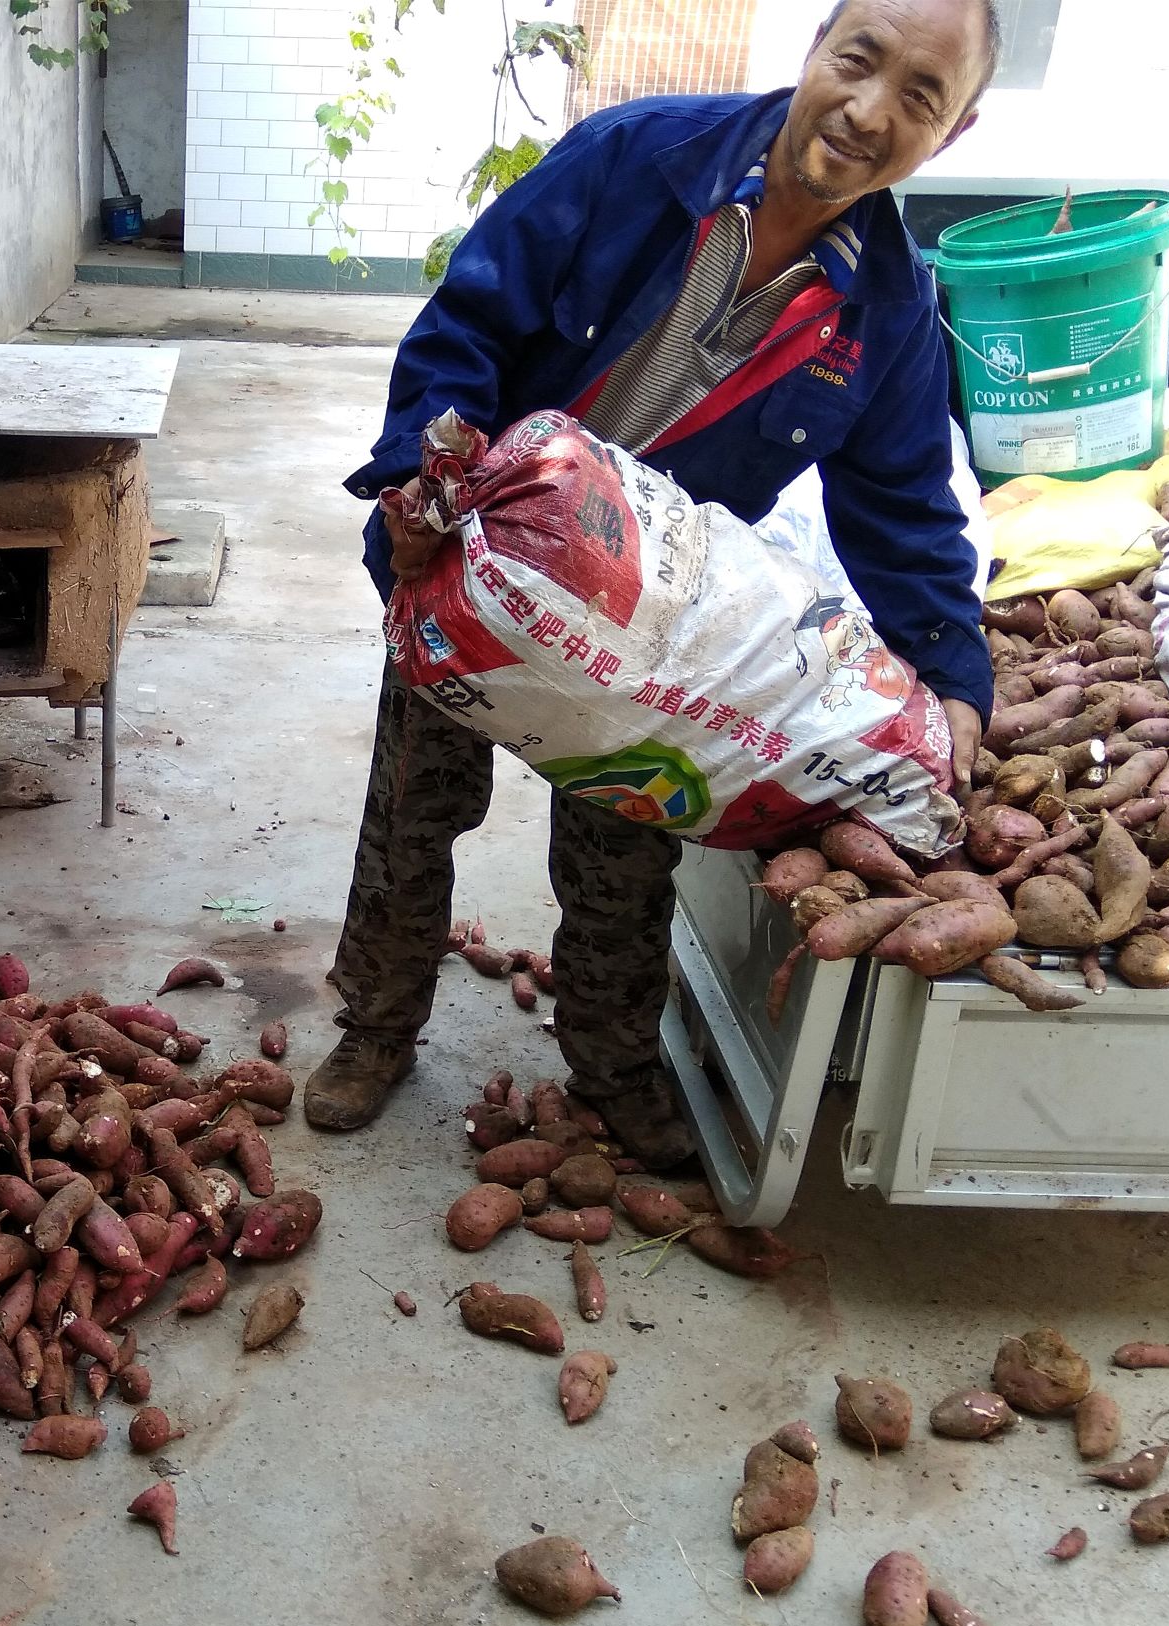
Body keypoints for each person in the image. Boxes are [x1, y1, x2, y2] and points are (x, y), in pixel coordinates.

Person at [307, 0, 1002, 1161]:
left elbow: (903, 509)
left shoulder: (885, 311)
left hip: (650, 636)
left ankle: (613, 1067)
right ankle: (375, 1028)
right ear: (813, 52)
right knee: (411, 815)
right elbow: (464, 327)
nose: (868, 111)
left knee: (624, 853)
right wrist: (413, 492)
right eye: (857, 62)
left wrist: (951, 673)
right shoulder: (634, 160)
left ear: (955, 129)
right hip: (478, 572)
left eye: (919, 98)